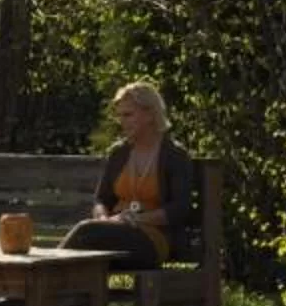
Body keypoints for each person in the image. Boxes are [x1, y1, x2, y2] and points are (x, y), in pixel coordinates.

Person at [60, 80, 192, 272]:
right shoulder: (119, 153)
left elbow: (179, 209)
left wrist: (137, 219)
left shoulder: (174, 155)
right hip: (112, 230)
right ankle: (52, 285)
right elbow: (101, 199)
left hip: (152, 239)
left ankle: (42, 275)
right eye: (120, 115)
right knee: (86, 247)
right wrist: (103, 220)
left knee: (86, 232)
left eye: (128, 115)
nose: (122, 121)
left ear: (150, 114)